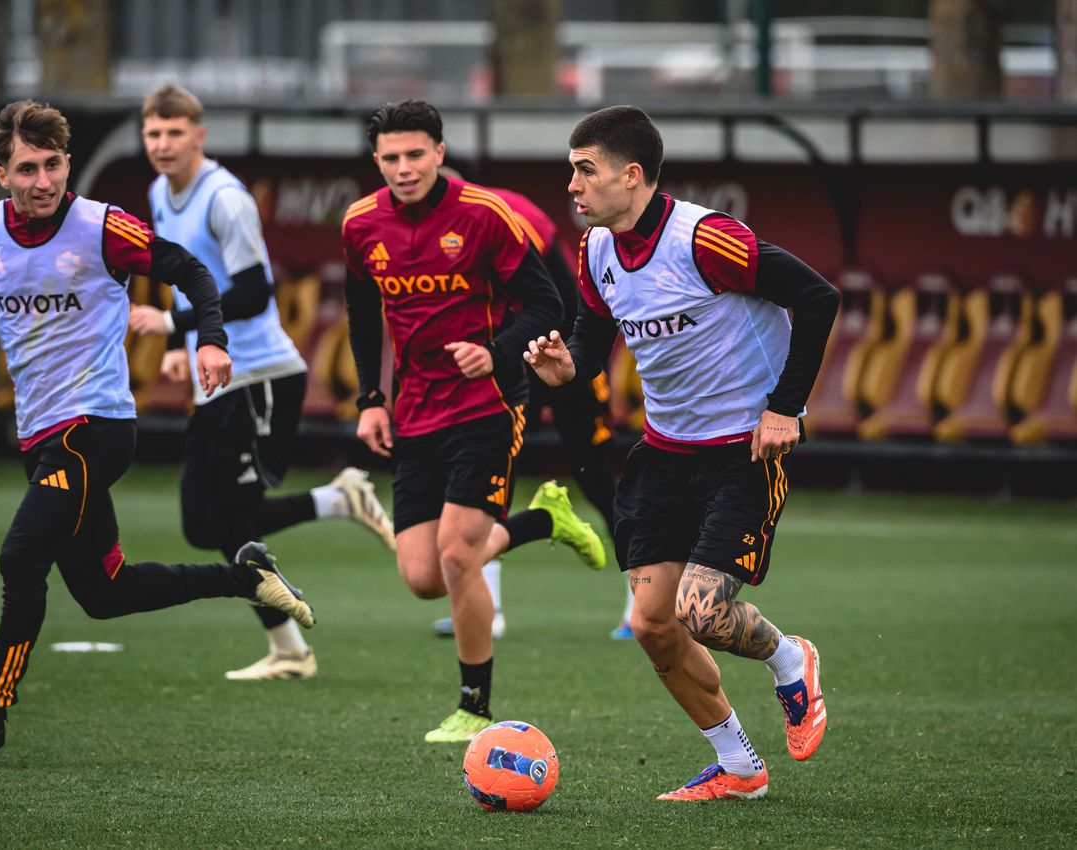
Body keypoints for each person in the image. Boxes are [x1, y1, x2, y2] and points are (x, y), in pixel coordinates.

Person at [0, 100, 314, 761]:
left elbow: (191, 269)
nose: (43, 181)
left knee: (20, 558)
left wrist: (210, 340)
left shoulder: (101, 227)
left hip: (97, 426)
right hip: (43, 434)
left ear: (68, 164)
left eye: (54, 165)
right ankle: (244, 577)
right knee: (106, 592)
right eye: (27, 168)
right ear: (2, 175)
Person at [525, 105, 839, 800]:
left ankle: (792, 659)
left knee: (704, 613)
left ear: (631, 175)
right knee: (651, 624)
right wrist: (566, 365)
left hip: (742, 452)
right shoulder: (597, 250)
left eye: (586, 171)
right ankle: (739, 768)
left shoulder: (707, 239)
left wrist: (784, 408)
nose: (572, 187)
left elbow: (818, 297)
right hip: (664, 455)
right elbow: (592, 333)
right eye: (570, 172)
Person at [342, 100, 605, 744]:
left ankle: (474, 708)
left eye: (415, 155)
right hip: (413, 411)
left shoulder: (485, 216)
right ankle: (546, 521)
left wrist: (493, 353)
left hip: (488, 406)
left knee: (459, 556)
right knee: (423, 577)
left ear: (439, 152)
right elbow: (361, 312)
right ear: (376, 161)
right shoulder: (359, 224)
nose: (403, 168)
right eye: (390, 158)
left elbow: (546, 302)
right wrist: (370, 399)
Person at [128, 83, 394, 682]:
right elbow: (185, 277)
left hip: (262, 374)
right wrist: (178, 345)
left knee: (232, 517)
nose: (163, 144)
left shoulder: (225, 198)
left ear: (199, 135)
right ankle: (336, 506)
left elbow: (252, 292)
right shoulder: (156, 192)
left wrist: (172, 323)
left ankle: (291, 647)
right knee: (203, 525)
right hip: (214, 377)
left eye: (175, 132)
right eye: (153, 133)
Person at [425, 169, 629, 642]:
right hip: (509, 363)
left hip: (565, 357)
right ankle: (487, 607)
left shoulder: (505, 212)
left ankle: (641, 602)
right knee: (491, 480)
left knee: (598, 477)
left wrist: (571, 360)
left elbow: (562, 298)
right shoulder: (417, 231)